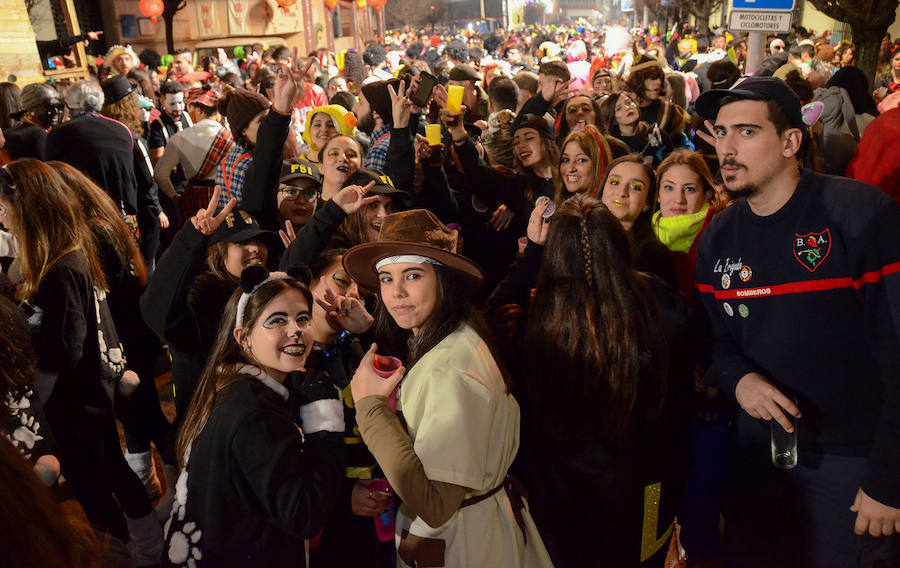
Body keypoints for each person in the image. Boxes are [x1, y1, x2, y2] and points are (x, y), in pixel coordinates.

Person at [694, 76, 900, 567]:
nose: (726, 148)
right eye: (720, 133)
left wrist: (890, 480)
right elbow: (714, 342)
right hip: (757, 465)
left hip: (850, 466)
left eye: (746, 132)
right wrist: (738, 380)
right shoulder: (718, 237)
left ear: (790, 142)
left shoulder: (860, 214)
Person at [485, 195, 691, 567]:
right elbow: (680, 409)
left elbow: (486, 327)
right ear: (620, 244)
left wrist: (530, 254)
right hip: (643, 488)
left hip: (558, 495)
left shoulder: (533, 320)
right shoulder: (662, 304)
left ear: (555, 255)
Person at [343, 208, 554, 568]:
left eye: (412, 275)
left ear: (443, 280)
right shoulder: (453, 337)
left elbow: (436, 504)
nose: (397, 292)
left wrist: (370, 408)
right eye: (386, 278)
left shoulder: (449, 366)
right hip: (479, 528)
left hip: (466, 543)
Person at [0, 159, 162, 565]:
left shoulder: (62, 268)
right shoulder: (63, 256)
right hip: (90, 397)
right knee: (114, 473)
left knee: (96, 490)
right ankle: (148, 548)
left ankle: (131, 553)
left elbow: (65, 349)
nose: (1, 215)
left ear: (29, 208)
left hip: (77, 406)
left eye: (4, 206)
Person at [162, 264, 345, 566]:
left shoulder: (234, 388)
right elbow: (303, 514)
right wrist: (325, 420)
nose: (295, 330)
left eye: (303, 318)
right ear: (243, 337)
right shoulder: (254, 414)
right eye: (277, 320)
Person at [46, 80, 140, 219]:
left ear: (68, 104)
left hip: (84, 215)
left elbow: (54, 178)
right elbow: (140, 174)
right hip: (122, 213)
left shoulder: (58, 134)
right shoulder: (121, 129)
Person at [154, 87, 232, 224]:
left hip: (193, 200)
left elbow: (160, 174)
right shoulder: (230, 137)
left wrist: (174, 197)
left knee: (195, 240)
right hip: (224, 197)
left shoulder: (180, 138)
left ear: (198, 109)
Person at [599, 154, 677, 288]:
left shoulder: (655, 258)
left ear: (647, 202)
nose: (622, 192)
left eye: (635, 187)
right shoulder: (576, 237)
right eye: (614, 182)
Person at [652, 149, 719, 302]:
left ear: (706, 195)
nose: (679, 199)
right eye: (669, 188)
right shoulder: (642, 233)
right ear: (658, 195)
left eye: (689, 189)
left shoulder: (720, 233)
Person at [214, 87, 271, 205]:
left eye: (270, 117)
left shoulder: (228, 158)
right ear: (243, 129)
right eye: (261, 120)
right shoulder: (253, 165)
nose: (269, 124)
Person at [625, 54, 689, 138]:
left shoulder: (670, 112)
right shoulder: (622, 110)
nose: (658, 82)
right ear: (637, 80)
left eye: (660, 77)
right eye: (652, 77)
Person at [3, 83, 61, 160]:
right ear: (31, 109)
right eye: (48, 107)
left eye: (57, 106)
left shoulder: (8, 133)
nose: (55, 111)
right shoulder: (36, 135)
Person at [558, 124, 612, 199]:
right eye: (566, 160)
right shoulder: (562, 206)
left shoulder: (607, 208)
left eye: (581, 160)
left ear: (599, 164)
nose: (570, 169)